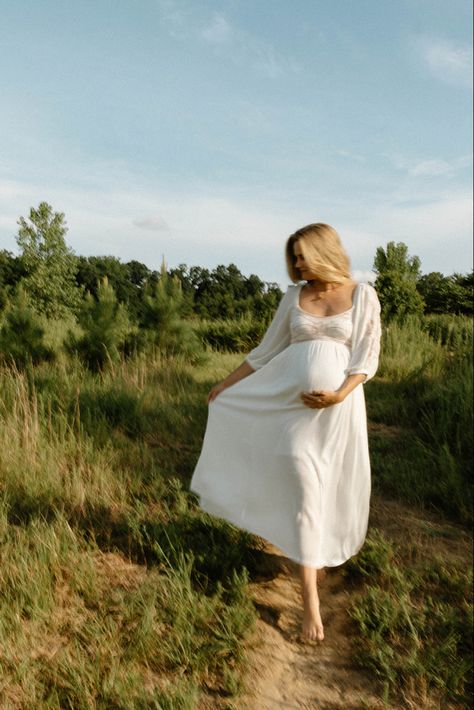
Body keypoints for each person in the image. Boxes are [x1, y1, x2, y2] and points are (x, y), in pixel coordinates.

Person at [189, 223, 381, 643]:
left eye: (301, 255)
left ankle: (312, 551)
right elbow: (265, 352)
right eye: (293, 257)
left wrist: (339, 395)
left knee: (327, 486)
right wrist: (226, 384)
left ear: (323, 250)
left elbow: (367, 355)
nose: (296, 264)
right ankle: (310, 600)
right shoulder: (293, 298)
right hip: (291, 409)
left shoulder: (362, 294)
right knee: (304, 485)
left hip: (338, 410)